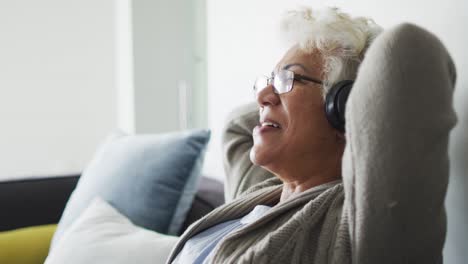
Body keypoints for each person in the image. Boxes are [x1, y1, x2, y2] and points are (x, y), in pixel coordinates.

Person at [167, 6, 457, 264]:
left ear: (343, 108)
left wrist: (346, 103)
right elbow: (238, 127)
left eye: (288, 79)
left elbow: (407, 50)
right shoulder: (259, 193)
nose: (263, 96)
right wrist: (281, 87)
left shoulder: (358, 223)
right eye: (269, 80)